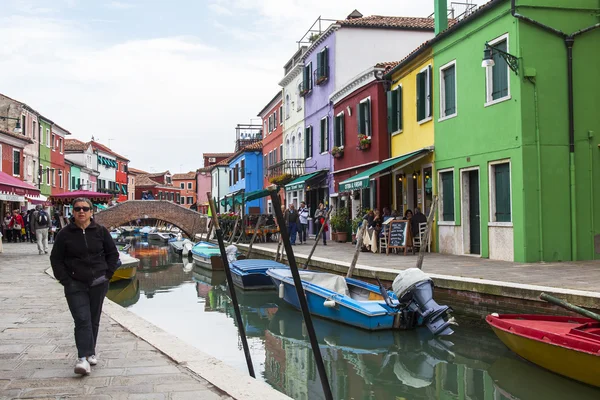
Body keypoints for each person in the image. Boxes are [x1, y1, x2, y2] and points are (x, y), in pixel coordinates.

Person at [50, 197, 119, 376]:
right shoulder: (65, 234)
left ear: (91, 212)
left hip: (98, 282)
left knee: (93, 319)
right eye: (78, 208)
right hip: (74, 283)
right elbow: (56, 259)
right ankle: (82, 358)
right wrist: (65, 279)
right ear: (73, 212)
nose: (82, 211)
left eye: (85, 209)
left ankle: (91, 352)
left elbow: (113, 254)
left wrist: (107, 274)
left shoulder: (101, 231)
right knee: (82, 319)